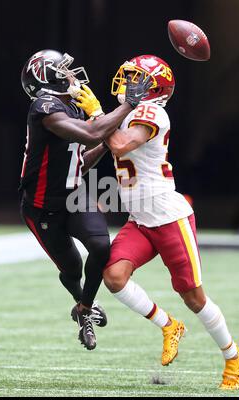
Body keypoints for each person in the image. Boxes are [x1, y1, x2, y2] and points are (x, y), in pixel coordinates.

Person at [81, 54, 239, 389]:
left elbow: (122, 143)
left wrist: (97, 113)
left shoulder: (153, 112)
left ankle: (233, 356)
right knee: (113, 277)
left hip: (169, 218)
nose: (126, 83)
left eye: (135, 79)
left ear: (152, 88)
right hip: (140, 219)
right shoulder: (126, 112)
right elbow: (99, 143)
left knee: (193, 297)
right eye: (128, 76)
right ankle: (169, 324)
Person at [19, 49, 152, 350]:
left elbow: (82, 159)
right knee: (71, 268)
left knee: (101, 245)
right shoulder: (44, 106)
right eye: (63, 70)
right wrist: (127, 105)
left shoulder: (71, 106)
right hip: (41, 206)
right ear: (46, 76)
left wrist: (107, 137)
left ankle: (84, 309)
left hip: (74, 194)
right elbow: (90, 134)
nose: (71, 75)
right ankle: (82, 302)